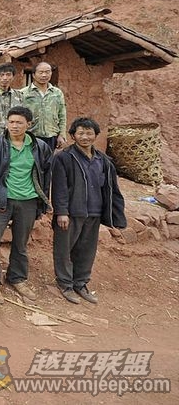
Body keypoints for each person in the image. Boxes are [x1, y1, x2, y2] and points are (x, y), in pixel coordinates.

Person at [51, 117, 126, 304]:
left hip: (94, 212)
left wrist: (115, 215)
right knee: (64, 250)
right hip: (71, 213)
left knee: (86, 251)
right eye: (81, 133)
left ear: (96, 135)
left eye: (89, 133)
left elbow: (112, 189)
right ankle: (65, 284)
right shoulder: (64, 158)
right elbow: (59, 188)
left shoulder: (103, 160)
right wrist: (62, 212)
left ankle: (80, 283)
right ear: (73, 136)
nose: (85, 137)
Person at [0, 106, 52, 304]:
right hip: (2, 199)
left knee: (21, 244)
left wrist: (43, 202)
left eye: (19, 122)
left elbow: (45, 175)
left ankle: (17, 278)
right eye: (11, 122)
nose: (14, 126)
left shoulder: (39, 147)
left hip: (28, 200)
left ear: (29, 124)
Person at [21, 62, 67, 151]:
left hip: (51, 136)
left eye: (47, 72)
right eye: (41, 72)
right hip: (30, 135)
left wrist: (62, 135)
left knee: (49, 159)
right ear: (33, 75)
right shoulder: (24, 93)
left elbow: (62, 115)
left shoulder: (57, 93)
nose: (44, 75)